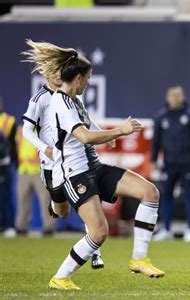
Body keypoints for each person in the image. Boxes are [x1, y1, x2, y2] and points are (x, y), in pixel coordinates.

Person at [23, 40, 164, 290]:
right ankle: (61, 276)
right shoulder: (60, 103)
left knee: (150, 192)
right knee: (99, 233)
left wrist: (107, 134)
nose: (89, 83)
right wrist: (120, 131)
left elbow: (89, 128)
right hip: (75, 174)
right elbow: (85, 136)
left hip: (94, 167)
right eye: (88, 78)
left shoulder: (73, 99)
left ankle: (139, 259)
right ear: (77, 78)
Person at [21, 39, 104, 268]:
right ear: (48, 74)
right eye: (56, 72)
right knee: (63, 211)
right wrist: (43, 148)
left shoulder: (71, 98)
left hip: (71, 161)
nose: (60, 76)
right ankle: (56, 206)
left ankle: (95, 251)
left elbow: (85, 120)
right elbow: (27, 129)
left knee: (88, 197)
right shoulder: (40, 99)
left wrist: (101, 135)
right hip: (50, 164)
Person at [151, 85, 190, 242]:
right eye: (172, 96)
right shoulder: (161, 117)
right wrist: (153, 160)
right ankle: (166, 229)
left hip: (188, 162)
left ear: (183, 96)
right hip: (169, 162)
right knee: (166, 195)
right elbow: (155, 142)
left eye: (178, 95)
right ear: (167, 97)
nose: (175, 98)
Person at [15, 125, 55, 236]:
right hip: (23, 170)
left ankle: (49, 227)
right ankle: (21, 226)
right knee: (22, 200)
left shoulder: (42, 130)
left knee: (45, 200)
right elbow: (16, 147)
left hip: (39, 170)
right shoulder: (20, 130)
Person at [0, 100, 18, 237]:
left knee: (5, 196)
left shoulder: (9, 121)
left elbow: (12, 145)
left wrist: (11, 161)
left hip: (3, 164)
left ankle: (9, 226)